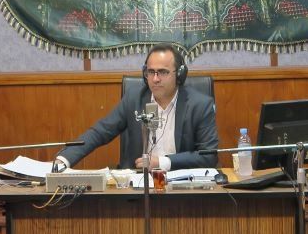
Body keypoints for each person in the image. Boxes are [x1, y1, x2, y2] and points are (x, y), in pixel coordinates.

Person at [54, 44, 218, 171]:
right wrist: (63, 159)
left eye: (162, 72)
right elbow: (100, 132)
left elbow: (209, 156)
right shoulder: (135, 99)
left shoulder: (199, 105)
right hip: (137, 184)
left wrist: (162, 162)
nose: (155, 79)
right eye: (150, 72)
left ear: (180, 74)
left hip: (181, 187)